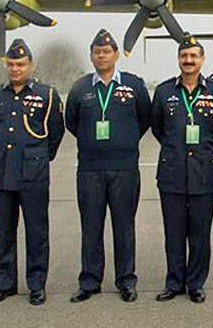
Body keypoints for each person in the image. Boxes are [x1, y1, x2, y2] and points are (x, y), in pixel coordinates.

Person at [65, 29, 151, 303]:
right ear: (91, 56)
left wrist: (124, 141)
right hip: (90, 169)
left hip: (124, 169)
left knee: (124, 226)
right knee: (91, 226)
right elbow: (71, 122)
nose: (101, 56)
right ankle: (90, 281)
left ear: (115, 55)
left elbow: (146, 119)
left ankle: (126, 280)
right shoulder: (80, 88)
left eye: (106, 51)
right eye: (96, 52)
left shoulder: (133, 86)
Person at [0, 38, 65, 306]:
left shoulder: (46, 94)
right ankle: (5, 283)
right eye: (11, 64)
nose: (16, 69)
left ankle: (36, 285)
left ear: (31, 65)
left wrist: (40, 157)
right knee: (5, 232)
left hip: (33, 175)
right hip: (2, 173)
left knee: (36, 231)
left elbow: (55, 132)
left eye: (21, 64)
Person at [151, 34, 213, 304]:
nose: (188, 60)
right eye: (184, 56)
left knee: (199, 233)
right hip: (172, 173)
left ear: (202, 60)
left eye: (194, 56)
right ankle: (174, 282)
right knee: (173, 232)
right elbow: (158, 129)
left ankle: (196, 283)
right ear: (179, 59)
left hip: (203, 174)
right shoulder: (164, 91)